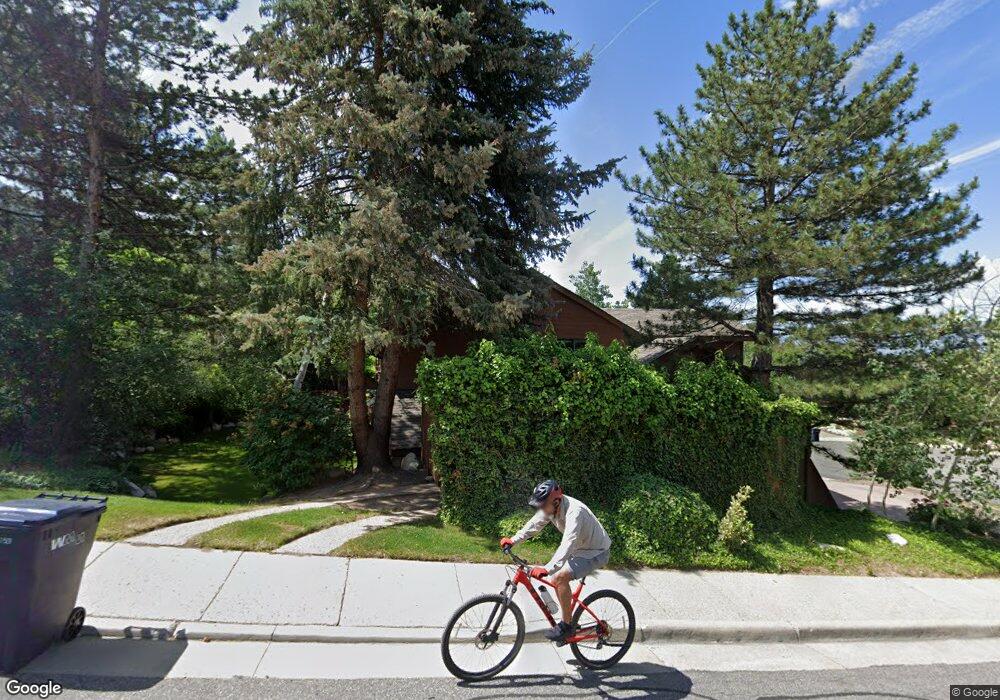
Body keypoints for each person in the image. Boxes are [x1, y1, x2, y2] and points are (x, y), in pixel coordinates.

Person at [500, 479, 612, 644]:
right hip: (579, 549)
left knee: (559, 577)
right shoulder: (551, 507)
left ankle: (566, 626)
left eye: (542, 505)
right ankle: (569, 618)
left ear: (556, 502)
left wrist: (548, 568)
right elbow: (534, 524)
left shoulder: (575, 512)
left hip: (595, 552)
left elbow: (568, 542)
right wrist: (513, 540)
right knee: (556, 579)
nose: (540, 509)